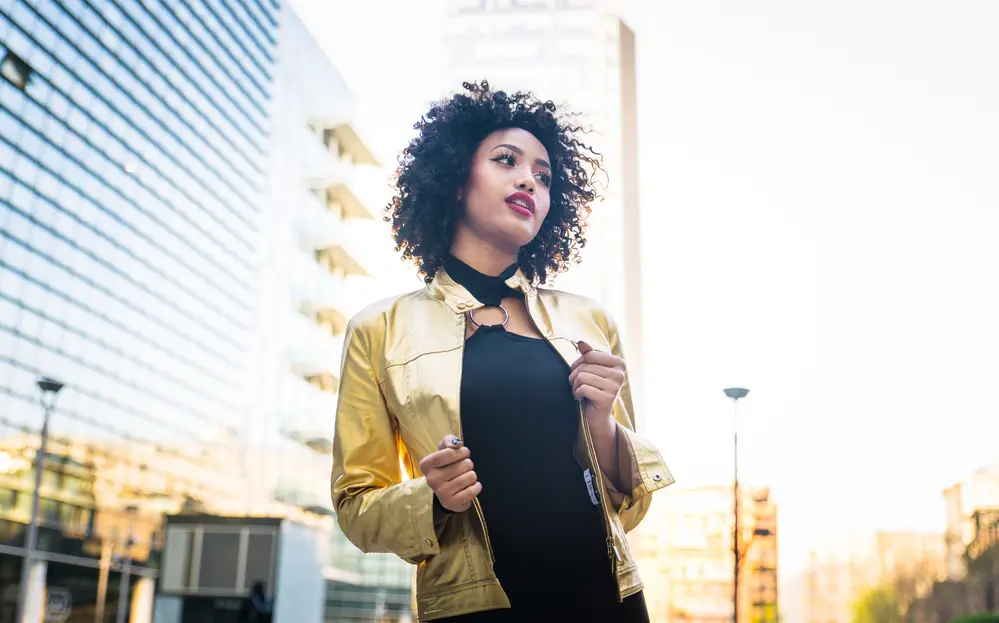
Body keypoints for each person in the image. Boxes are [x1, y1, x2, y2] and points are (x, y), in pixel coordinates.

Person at [331, 80, 674, 622]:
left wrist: (603, 422)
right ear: (453, 180)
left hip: (608, 601)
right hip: (474, 609)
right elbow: (356, 506)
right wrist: (434, 497)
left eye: (544, 176)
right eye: (506, 160)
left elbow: (626, 508)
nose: (528, 181)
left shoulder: (588, 319)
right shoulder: (378, 329)